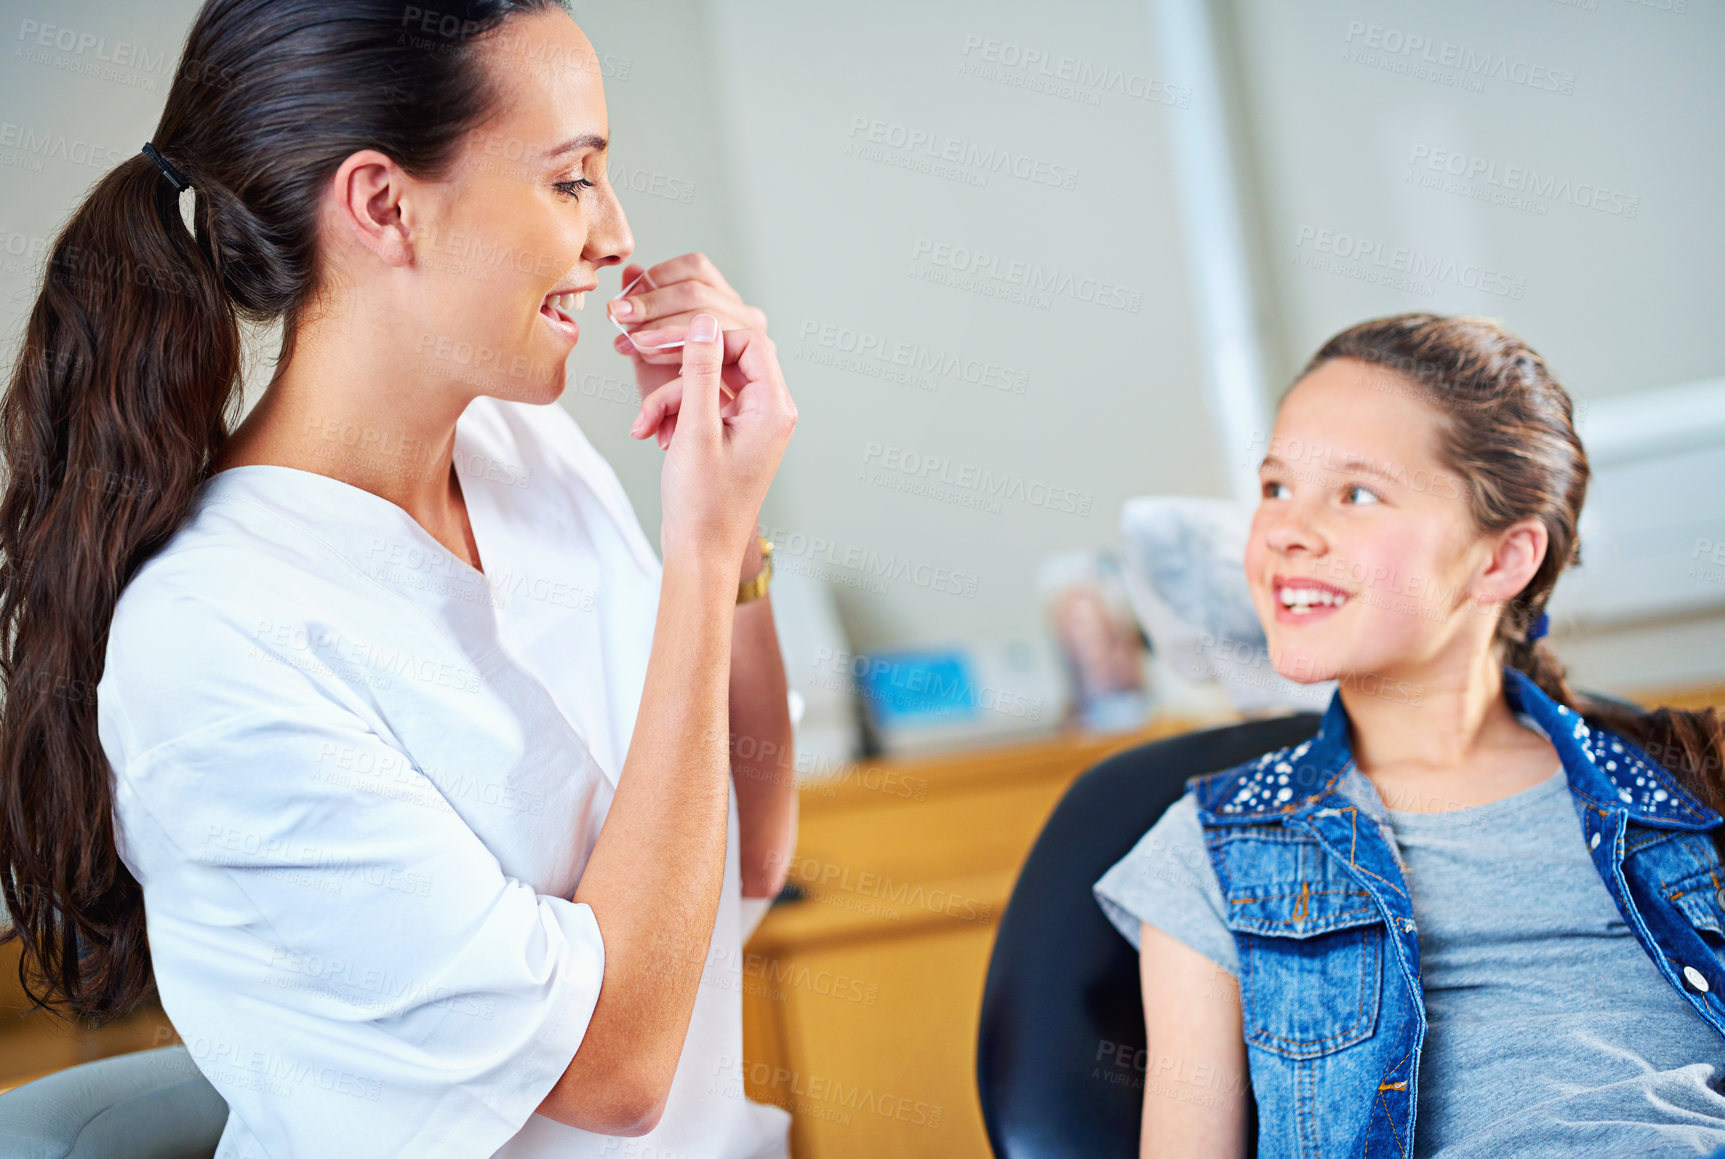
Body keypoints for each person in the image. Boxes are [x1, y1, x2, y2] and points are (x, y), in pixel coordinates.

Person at [0, 2, 799, 1156]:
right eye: (573, 181)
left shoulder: (534, 459)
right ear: (384, 204)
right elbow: (611, 1070)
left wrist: (736, 535)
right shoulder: (214, 640)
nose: (616, 235)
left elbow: (751, 853)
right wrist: (702, 548)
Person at [1093, 313, 1725, 1158]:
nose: (1284, 528)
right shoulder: (1214, 850)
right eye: (1275, 487)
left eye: (1355, 493)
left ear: (1501, 560)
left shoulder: (1691, 784)